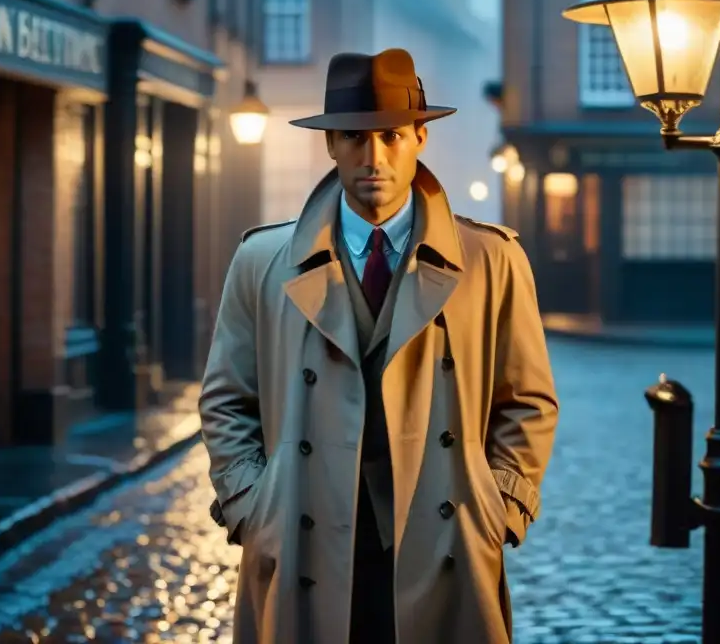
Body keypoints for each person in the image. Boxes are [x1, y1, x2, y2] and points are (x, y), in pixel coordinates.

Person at [199, 48, 558, 644]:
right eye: (354, 137)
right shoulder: (261, 262)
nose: (374, 158)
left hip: (443, 545)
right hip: (301, 543)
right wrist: (254, 509)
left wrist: (496, 512)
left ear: (420, 136)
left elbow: (528, 402)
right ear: (330, 144)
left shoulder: (492, 261)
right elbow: (226, 401)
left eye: (390, 136)